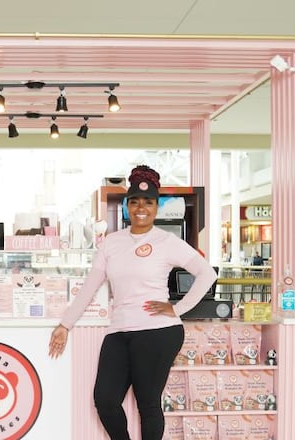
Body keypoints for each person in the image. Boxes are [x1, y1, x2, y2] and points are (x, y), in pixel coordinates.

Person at [48, 165, 217, 440]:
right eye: (135, 201)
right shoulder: (111, 243)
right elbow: (90, 287)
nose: (141, 208)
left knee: (148, 404)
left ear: (156, 207)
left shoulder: (167, 241)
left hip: (158, 331)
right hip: (119, 330)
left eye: (148, 202)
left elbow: (206, 273)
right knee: (105, 400)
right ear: (127, 206)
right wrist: (64, 325)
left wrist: (177, 309)